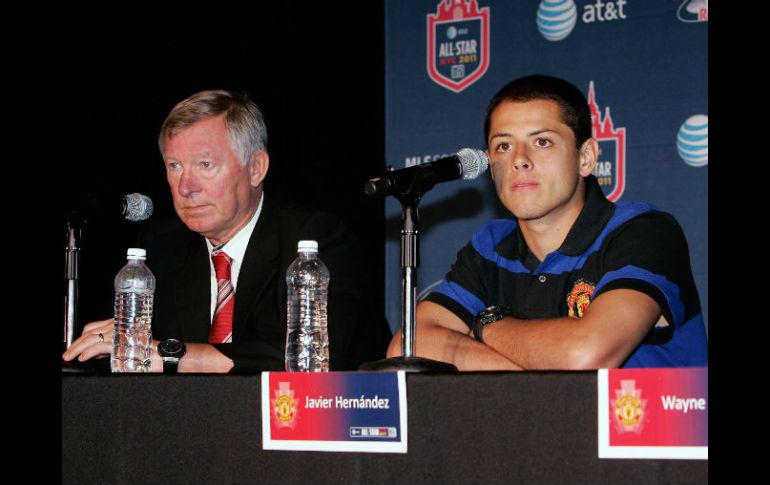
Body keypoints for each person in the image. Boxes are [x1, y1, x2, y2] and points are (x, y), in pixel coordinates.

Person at [386, 74, 707, 370]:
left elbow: (586, 354)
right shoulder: (490, 247)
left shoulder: (643, 232)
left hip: (650, 431)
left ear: (586, 158)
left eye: (542, 142)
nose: (519, 159)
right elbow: (410, 344)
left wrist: (484, 325)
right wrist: (535, 379)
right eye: (503, 146)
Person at [63, 89, 391, 373]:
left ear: (255, 168)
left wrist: (173, 354)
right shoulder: (163, 246)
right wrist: (112, 346)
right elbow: (131, 349)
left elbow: (313, 358)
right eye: (175, 166)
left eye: (205, 165)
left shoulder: (314, 239)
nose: (186, 186)